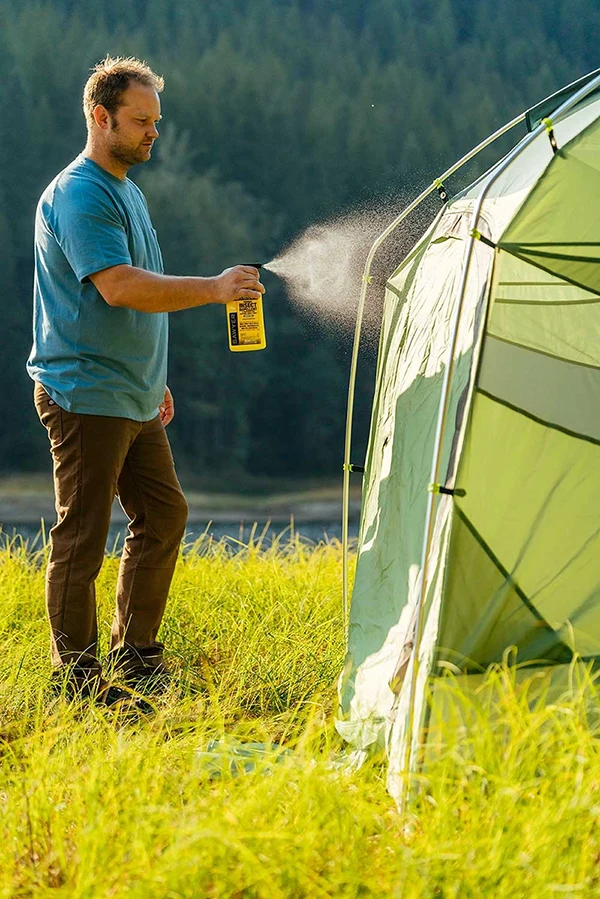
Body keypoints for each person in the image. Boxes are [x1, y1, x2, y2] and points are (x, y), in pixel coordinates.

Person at [27, 56, 265, 707]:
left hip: (131, 395)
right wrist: (214, 289)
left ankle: (135, 659)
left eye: (155, 122)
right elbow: (120, 285)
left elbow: (136, 296)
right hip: (84, 394)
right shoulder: (80, 193)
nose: (152, 133)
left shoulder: (128, 190)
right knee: (82, 535)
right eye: (140, 121)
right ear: (101, 119)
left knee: (164, 513)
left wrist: (154, 377)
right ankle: (76, 684)